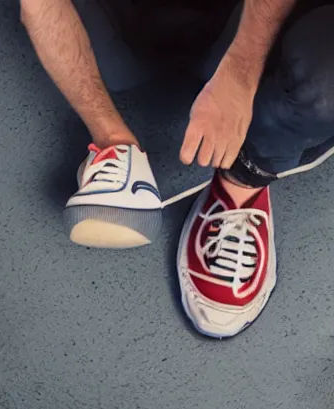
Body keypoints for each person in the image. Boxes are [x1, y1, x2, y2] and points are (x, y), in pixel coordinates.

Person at [20, 0, 334, 338]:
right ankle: (116, 150)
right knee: (107, 57)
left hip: (252, 16)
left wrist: (241, 68)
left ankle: (242, 183)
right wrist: (109, 133)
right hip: (133, 30)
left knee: (325, 87)